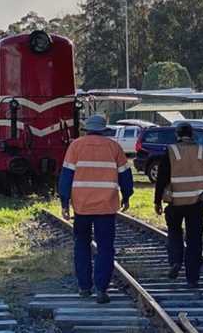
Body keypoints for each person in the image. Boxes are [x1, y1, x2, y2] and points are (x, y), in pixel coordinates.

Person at [59, 114, 133, 304]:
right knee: (106, 248)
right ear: (103, 129)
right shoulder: (114, 147)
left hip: (82, 206)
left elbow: (66, 176)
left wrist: (64, 202)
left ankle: (84, 287)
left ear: (88, 129)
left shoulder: (75, 146)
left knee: (81, 245)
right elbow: (125, 175)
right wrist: (126, 195)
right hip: (106, 206)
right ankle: (101, 289)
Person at [154, 123, 203, 289]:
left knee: (174, 233)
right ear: (192, 135)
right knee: (195, 240)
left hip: (175, 203)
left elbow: (162, 177)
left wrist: (157, 201)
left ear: (177, 135)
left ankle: (175, 261)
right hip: (196, 203)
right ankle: (192, 278)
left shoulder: (171, 151)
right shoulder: (202, 151)